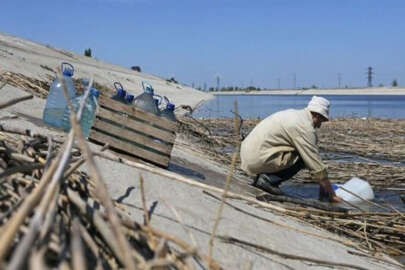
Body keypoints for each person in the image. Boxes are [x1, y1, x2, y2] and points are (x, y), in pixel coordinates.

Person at [240, 96, 341, 203]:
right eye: (321, 120)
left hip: (248, 154)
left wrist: (323, 186)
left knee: (302, 153)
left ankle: (264, 178)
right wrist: (331, 194)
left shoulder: (294, 114)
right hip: (257, 158)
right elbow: (315, 165)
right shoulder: (305, 128)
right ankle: (268, 180)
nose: (319, 125)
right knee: (303, 157)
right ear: (316, 115)